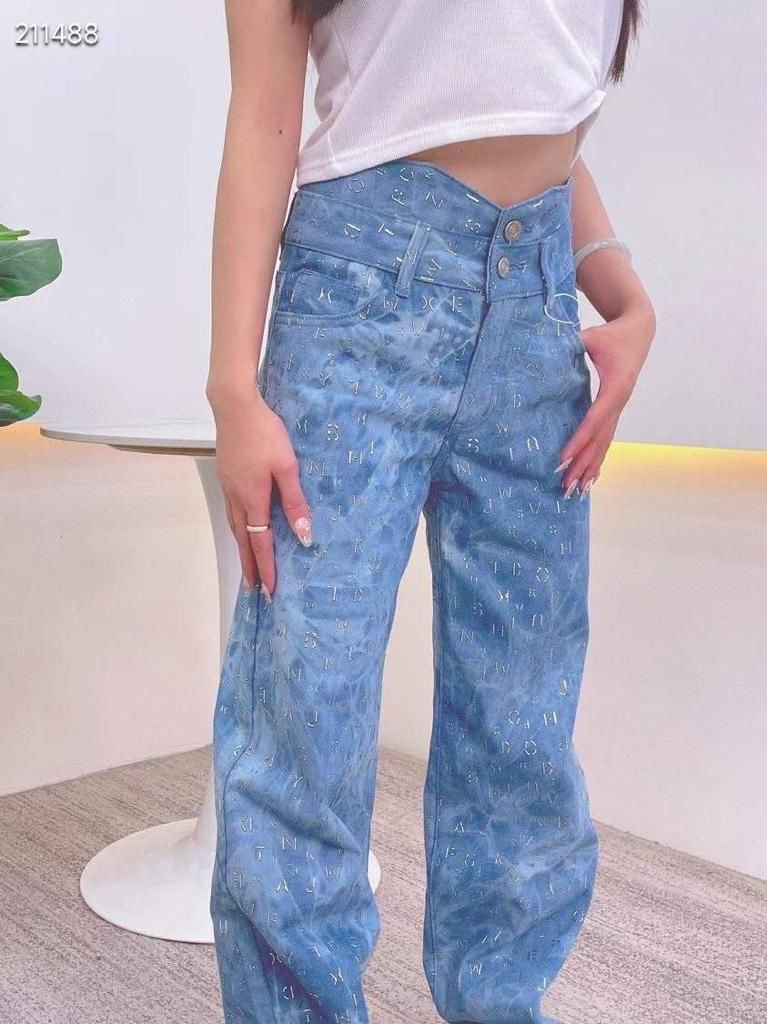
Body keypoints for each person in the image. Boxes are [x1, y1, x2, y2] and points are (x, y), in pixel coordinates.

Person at [205, 2, 655, 1022]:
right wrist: (234, 387)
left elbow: (535, 105)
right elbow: (265, 118)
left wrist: (622, 293)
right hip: (357, 295)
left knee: (521, 723)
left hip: (536, 305)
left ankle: (501, 1003)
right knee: (306, 713)